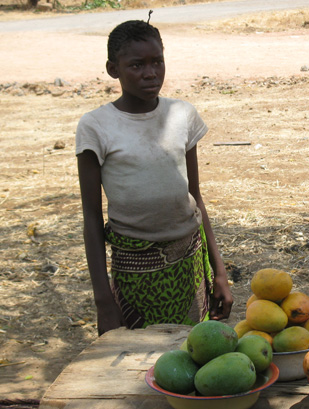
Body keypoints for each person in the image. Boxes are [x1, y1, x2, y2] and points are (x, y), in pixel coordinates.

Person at [76, 18, 233, 335]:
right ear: (113, 69)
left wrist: (220, 273)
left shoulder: (181, 115)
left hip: (189, 263)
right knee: (139, 362)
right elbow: (91, 217)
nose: (150, 73)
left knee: (194, 353)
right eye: (136, 65)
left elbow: (195, 197)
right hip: (136, 274)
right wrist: (104, 301)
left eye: (157, 62)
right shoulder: (96, 126)